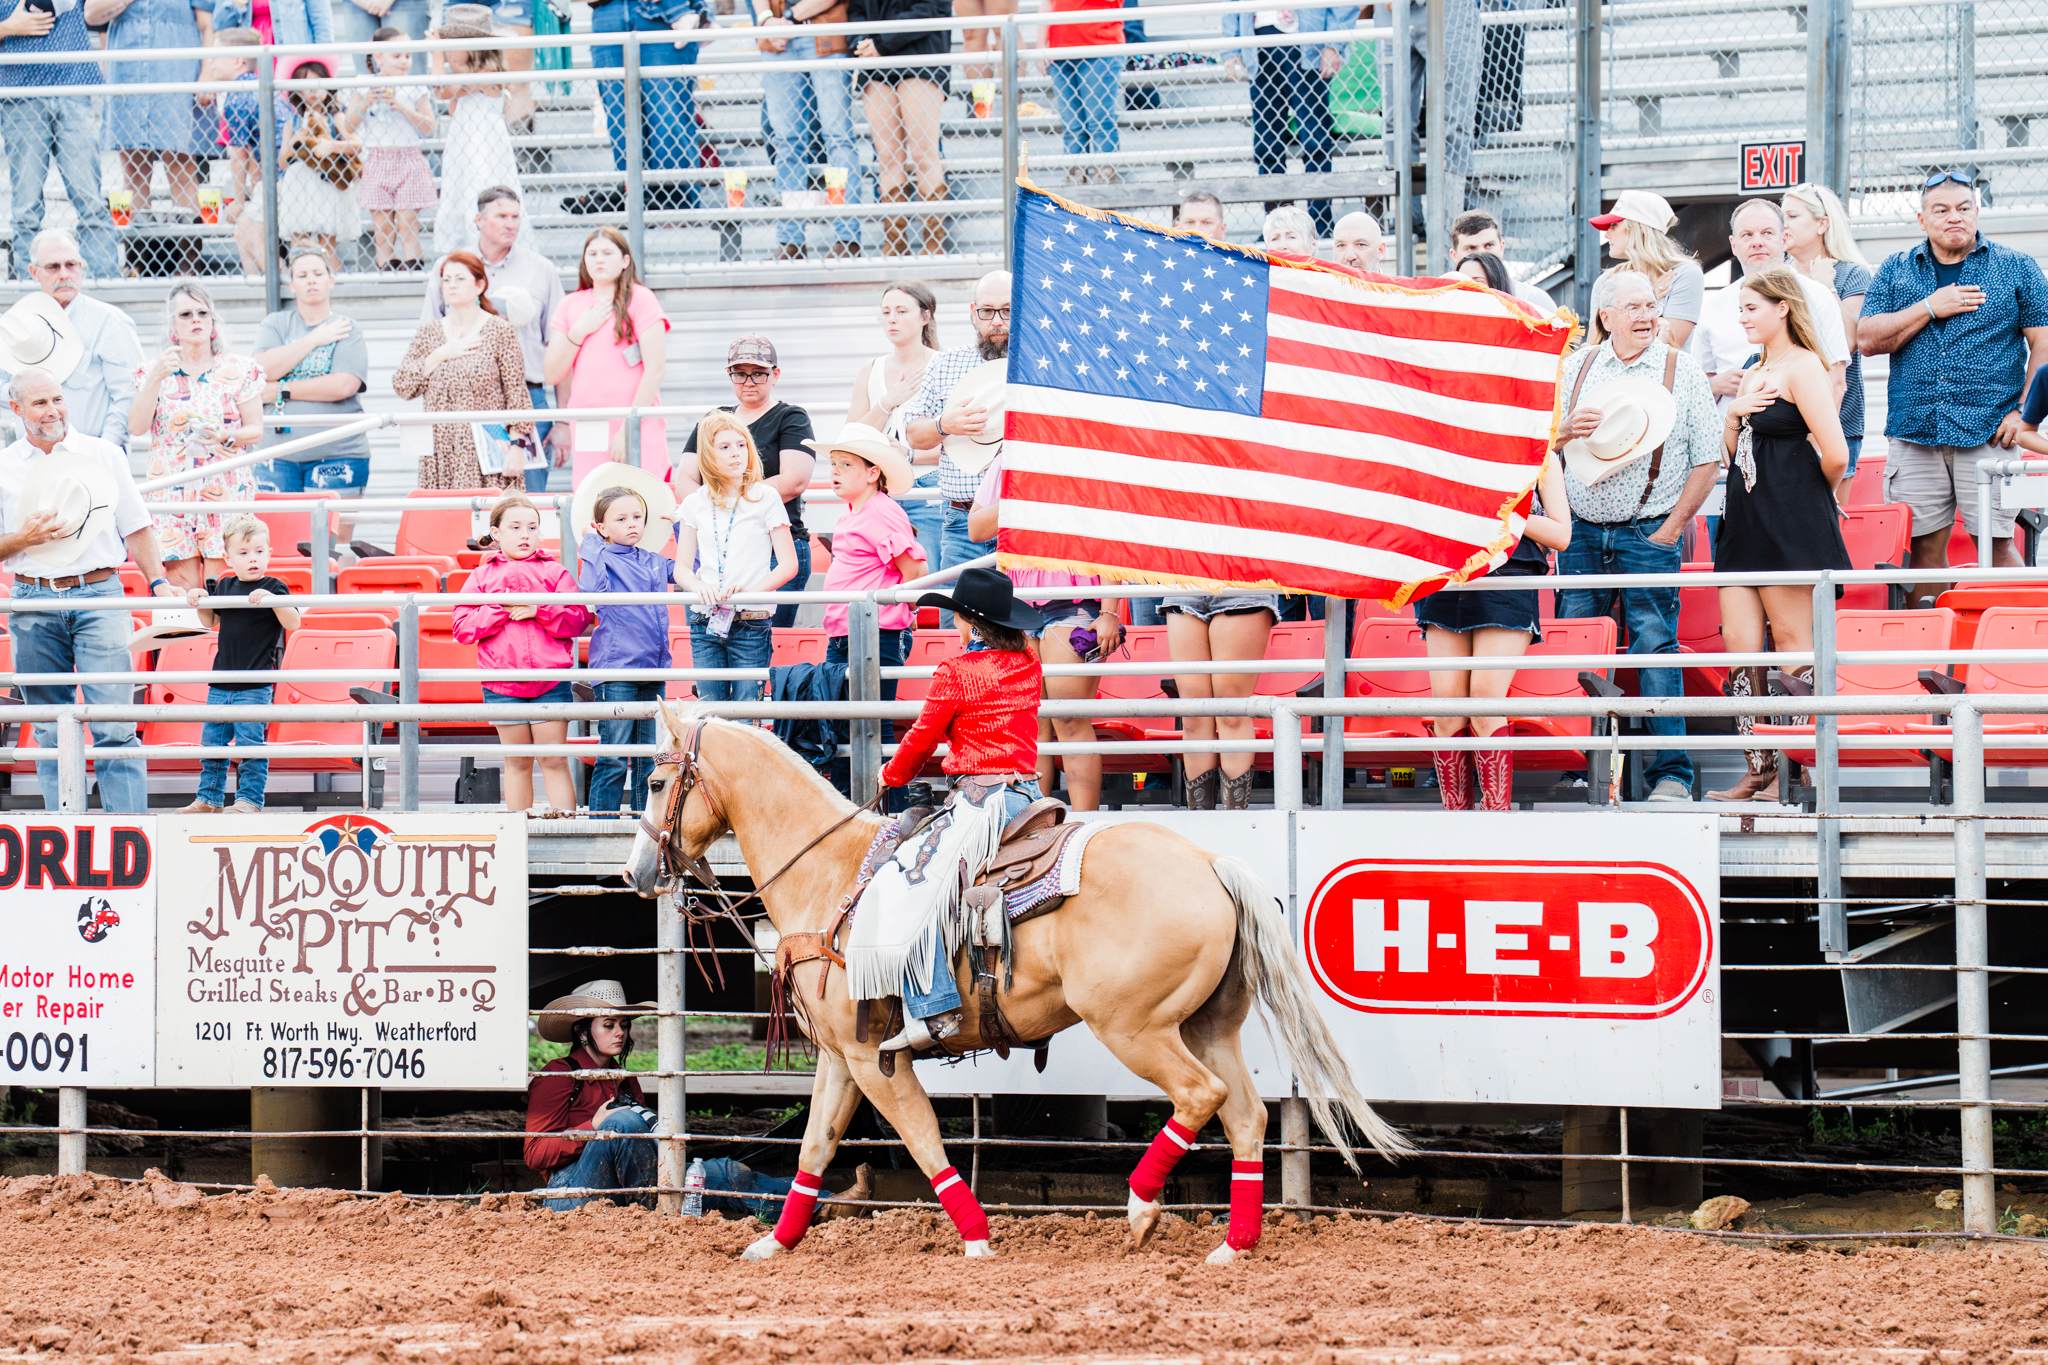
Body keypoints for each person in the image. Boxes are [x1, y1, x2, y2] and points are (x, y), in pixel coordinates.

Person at [1554, 269, 1722, 802]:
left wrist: (1670, 530)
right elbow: (1543, 449)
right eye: (1634, 308)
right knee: (1581, 650)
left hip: (1649, 528)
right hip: (1581, 531)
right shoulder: (1577, 368)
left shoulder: (1682, 368)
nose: (1648, 316)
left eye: (1651, 305)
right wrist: (1563, 433)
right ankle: (1589, 767)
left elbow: (1705, 458)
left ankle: (1670, 776)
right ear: (1606, 317)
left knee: (1655, 648)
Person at [875, 566, 1045, 1052]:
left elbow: (922, 736)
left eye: (956, 619)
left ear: (971, 624)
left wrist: (890, 777)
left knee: (919, 886)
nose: (952, 626)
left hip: (983, 801)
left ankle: (932, 1008)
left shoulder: (956, 673)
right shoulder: (1030, 663)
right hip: (1028, 793)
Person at [0, 369, 184, 813]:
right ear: (17, 410)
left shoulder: (103, 453)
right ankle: (66, 828)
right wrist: (24, 539)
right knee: (48, 727)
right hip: (31, 598)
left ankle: (131, 831)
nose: (54, 410)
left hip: (100, 592)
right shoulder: (5, 466)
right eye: (41, 403)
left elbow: (136, 526)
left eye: (58, 399)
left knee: (114, 722)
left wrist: (158, 581)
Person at [527, 980, 870, 1214]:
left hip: (630, 1181)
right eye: (609, 1025)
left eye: (624, 1024)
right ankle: (665, 1207)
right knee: (623, 1121)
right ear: (583, 1032)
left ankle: (825, 1205)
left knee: (730, 1173)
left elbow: (643, 1144)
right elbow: (534, 1152)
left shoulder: (625, 1079)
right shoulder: (559, 1075)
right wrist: (594, 1126)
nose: (620, 1032)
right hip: (570, 1192)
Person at [1858, 173, 2048, 593]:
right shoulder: (1896, 268)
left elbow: (2043, 343)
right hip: (1915, 431)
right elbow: (1867, 338)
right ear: (1921, 219)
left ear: (1977, 212)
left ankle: (2017, 649)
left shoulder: (2016, 266)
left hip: (1989, 430)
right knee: (1924, 551)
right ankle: (1934, 652)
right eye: (1941, 210)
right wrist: (1929, 307)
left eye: (1963, 208)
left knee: (1997, 545)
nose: (1954, 217)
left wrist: (2024, 412)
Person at [1709, 268, 1852, 803]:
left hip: (1791, 517)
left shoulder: (1804, 366)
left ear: (1782, 308)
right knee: (1739, 650)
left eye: (1751, 308)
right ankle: (1760, 767)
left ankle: (1797, 767)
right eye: (1740, 309)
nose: (1742, 317)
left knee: (1794, 645)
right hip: (1743, 522)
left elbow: (1835, 450)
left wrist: (1816, 494)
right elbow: (1731, 450)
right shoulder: (1752, 371)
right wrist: (1734, 413)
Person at [968, 457, 1121, 810]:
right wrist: (1021, 490)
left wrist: (1110, 610)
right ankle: (1034, 823)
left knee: (1069, 717)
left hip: (1074, 600)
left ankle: (1085, 824)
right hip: (1020, 604)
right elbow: (977, 528)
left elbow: (1109, 539)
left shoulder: (1083, 458)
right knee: (1031, 725)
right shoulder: (1006, 463)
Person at [1420, 457, 1570, 811]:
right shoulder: (1446, 445)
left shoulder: (1539, 451)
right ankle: (1456, 815)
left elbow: (1561, 535)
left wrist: (1504, 514)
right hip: (1448, 569)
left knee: (1486, 700)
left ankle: (1494, 818)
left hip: (1509, 575)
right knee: (1446, 709)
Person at [454, 493, 592, 817]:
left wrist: (538, 610)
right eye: (515, 527)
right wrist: (500, 609)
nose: (525, 534)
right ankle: (519, 838)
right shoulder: (481, 578)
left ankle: (566, 835)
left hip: (549, 683)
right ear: (497, 533)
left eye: (532, 527)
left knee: (554, 759)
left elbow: (578, 619)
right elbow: (463, 627)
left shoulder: (555, 572)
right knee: (516, 761)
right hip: (503, 686)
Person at [422, 186, 563, 492]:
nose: (510, 223)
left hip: (526, 397)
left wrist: (563, 419)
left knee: (529, 500)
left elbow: (557, 346)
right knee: (468, 501)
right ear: (479, 220)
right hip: (464, 399)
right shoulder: (448, 269)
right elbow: (430, 339)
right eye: (501, 216)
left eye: (515, 216)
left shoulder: (541, 270)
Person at [132, 281, 265, 593]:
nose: (195, 320)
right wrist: (155, 379)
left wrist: (225, 435)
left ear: (213, 322)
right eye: (186, 314)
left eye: (203, 313)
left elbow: (255, 429)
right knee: (182, 587)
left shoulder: (239, 369)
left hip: (225, 487)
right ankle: (188, 643)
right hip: (172, 492)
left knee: (224, 583)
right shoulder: (153, 372)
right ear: (172, 326)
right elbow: (137, 426)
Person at [675, 337, 818, 627]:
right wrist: (713, 507)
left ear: (775, 374)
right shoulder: (714, 419)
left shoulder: (790, 417)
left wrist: (733, 501)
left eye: (758, 373)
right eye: (740, 373)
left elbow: (794, 480)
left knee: (765, 637)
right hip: (720, 545)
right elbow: (685, 478)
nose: (748, 381)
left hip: (775, 548)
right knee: (710, 637)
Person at [179, 515, 299, 814]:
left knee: (250, 746)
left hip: (255, 684)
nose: (253, 559)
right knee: (212, 746)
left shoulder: (275, 586)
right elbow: (212, 621)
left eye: (259, 551)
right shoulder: (226, 585)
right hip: (220, 682)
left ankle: (249, 800)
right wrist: (199, 600)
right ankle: (209, 799)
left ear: (270, 553)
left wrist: (272, 600)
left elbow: (294, 622)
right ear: (229, 558)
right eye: (244, 554)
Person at [676, 413, 799, 703]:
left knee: (747, 712)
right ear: (708, 454)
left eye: (741, 445)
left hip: (751, 619)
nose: (736, 454)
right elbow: (681, 568)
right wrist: (698, 587)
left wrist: (751, 591)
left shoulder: (765, 497)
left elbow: (788, 565)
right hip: (705, 619)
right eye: (725, 447)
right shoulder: (695, 502)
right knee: (710, 712)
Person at [577, 476, 679, 815]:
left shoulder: (652, 560)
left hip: (651, 665)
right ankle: (600, 826)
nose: (632, 524)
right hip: (617, 669)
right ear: (601, 527)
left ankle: (640, 827)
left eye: (637, 516)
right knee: (615, 755)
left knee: (647, 758)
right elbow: (593, 591)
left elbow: (687, 570)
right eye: (621, 519)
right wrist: (590, 548)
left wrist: (682, 529)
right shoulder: (600, 557)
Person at [1690, 200, 1849, 417]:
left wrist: (1816, 444)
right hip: (1732, 437)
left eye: (1767, 233)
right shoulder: (1713, 306)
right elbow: (1697, 380)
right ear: (1733, 244)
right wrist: (1716, 384)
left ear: (1784, 239)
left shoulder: (1817, 296)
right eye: (1747, 235)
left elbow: (1836, 381)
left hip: (1798, 435)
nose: (1757, 242)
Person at [0, 0, 121, 280]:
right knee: (26, 205)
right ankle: (29, 284)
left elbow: (97, 10)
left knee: (89, 198)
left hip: (73, 87)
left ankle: (105, 280)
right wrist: (9, 27)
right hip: (20, 94)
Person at [394, 252, 536, 490]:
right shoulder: (430, 333)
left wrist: (518, 445)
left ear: (479, 284)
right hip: (441, 449)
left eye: (459, 279)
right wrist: (439, 355)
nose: (451, 286)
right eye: (446, 280)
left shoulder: (499, 330)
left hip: (487, 447)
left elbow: (516, 392)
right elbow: (403, 385)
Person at [903, 271, 1011, 573]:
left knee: (1023, 617)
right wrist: (944, 425)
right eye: (987, 311)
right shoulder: (945, 363)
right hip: (960, 521)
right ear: (973, 313)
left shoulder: (1041, 366)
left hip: (1022, 521)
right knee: (957, 619)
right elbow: (913, 434)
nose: (997, 321)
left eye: (1007, 310)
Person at [546, 227, 671, 486]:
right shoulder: (570, 305)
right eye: (591, 253)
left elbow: (655, 369)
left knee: (642, 494)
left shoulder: (641, 299)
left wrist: (629, 427)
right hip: (590, 422)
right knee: (594, 496)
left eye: (607, 252)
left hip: (635, 419)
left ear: (625, 260)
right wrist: (578, 332)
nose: (598, 259)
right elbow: (551, 373)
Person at [253, 250, 372, 516]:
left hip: (339, 453)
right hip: (277, 455)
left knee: (332, 544)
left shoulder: (346, 327)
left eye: (318, 274)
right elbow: (261, 371)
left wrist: (281, 389)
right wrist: (313, 339)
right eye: (302, 275)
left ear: (331, 280)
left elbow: (343, 386)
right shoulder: (275, 324)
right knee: (280, 542)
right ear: (291, 284)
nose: (311, 281)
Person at [566, 0, 710, 216]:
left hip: (661, 14)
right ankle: (633, 193)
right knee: (619, 115)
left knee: (668, 111)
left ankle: (674, 196)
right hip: (607, 13)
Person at [0, 230, 143, 447]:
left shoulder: (110, 321)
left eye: (71, 265)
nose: (64, 274)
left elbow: (126, 395)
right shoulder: (16, 324)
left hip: (92, 452)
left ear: (81, 268)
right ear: (33, 271)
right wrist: (25, 390)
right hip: (33, 457)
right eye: (53, 267)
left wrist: (105, 451)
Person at [1224, 1, 1349, 239]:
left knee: (1314, 138)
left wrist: (1334, 44)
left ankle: (1319, 221)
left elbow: (1343, 6)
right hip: (1259, 40)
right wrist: (1231, 48)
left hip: (1306, 40)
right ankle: (1277, 225)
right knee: (1267, 141)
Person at [811, 423, 927, 674]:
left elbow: (915, 570)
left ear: (872, 473)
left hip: (875, 631)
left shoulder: (881, 511)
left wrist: (908, 607)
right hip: (849, 631)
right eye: (833, 464)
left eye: (846, 464)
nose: (835, 471)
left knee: (869, 709)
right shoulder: (852, 514)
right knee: (846, 710)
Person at [757, 0, 863, 260]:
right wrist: (766, 20)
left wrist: (789, 19)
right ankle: (790, 239)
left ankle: (846, 237)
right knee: (787, 141)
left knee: (837, 137)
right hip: (778, 40)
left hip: (823, 34)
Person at [1782, 182, 1873, 478]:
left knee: (1829, 521)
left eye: (1793, 216)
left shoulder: (1851, 274)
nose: (1784, 225)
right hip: (1782, 420)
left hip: (1837, 420)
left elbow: (1847, 342)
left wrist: (1825, 288)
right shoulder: (1778, 277)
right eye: (1782, 216)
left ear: (1822, 224)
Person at [846, 284, 940, 570]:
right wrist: (886, 403)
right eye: (886, 312)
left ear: (925, 316)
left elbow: (960, 442)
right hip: (880, 489)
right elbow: (851, 437)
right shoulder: (871, 370)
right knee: (880, 574)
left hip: (929, 486)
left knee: (932, 574)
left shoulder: (943, 365)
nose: (892, 319)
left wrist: (909, 455)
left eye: (901, 311)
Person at [850, 0, 952, 256]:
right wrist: (863, 41)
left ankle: (933, 243)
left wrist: (882, 42)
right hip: (876, 64)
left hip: (921, 57)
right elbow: (856, 11)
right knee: (887, 156)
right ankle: (894, 242)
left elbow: (931, 8)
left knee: (923, 153)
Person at [91, 0, 207, 218]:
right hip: (128, 71)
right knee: (134, 166)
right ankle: (139, 246)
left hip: (176, 70)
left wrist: (208, 73)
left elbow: (207, 25)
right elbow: (91, 15)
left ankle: (188, 244)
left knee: (180, 161)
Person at [429, 19, 531, 259]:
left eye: (452, 45)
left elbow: (443, 86)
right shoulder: (461, 77)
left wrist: (436, 60)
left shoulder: (487, 72)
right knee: (460, 184)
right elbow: (442, 93)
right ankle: (465, 247)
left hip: (485, 141)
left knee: (484, 181)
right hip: (462, 141)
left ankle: (490, 241)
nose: (447, 51)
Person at [341, 29, 437, 272]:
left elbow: (429, 127)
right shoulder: (363, 85)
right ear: (379, 57)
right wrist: (365, 103)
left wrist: (403, 108)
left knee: (407, 222)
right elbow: (349, 125)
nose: (404, 61)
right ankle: (386, 267)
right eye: (397, 56)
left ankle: (413, 267)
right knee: (382, 225)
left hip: (408, 157)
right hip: (377, 158)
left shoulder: (415, 86)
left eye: (407, 56)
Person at [1379, 0, 1480, 229]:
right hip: (1396, 10)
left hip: (1450, 9)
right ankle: (1408, 217)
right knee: (1396, 121)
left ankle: (1456, 222)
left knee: (1454, 121)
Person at [266, 55, 362, 271]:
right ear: (297, 92)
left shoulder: (335, 116)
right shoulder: (294, 121)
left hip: (326, 182)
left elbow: (356, 144)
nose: (313, 91)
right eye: (306, 86)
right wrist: (296, 140)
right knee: (299, 241)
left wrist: (332, 146)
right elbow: (282, 162)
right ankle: (301, 273)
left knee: (326, 244)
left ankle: (333, 279)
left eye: (318, 85)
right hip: (299, 184)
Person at [1593, 189, 1704, 347]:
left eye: (1614, 225)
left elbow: (1669, 348)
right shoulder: (1605, 281)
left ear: (1639, 228)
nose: (1606, 234)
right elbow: (1594, 346)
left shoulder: (1685, 274)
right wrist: (1653, 298)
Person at [1043, 0, 1123, 183]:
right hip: (1060, 51)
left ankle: (1105, 175)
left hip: (1099, 46)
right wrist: (1042, 44)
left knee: (1099, 120)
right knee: (1072, 125)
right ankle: (1075, 174)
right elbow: (1047, 4)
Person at [1450, 210, 1556, 311]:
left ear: (1501, 247)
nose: (1482, 254)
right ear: (1454, 255)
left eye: (1489, 245)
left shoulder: (1533, 300)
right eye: (1471, 248)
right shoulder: (1442, 301)